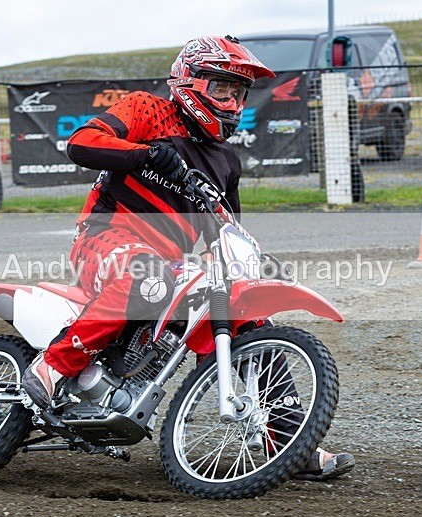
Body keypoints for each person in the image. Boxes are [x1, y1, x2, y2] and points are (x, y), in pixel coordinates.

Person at [23, 35, 355, 481]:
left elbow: (225, 230)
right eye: (222, 88)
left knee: (252, 321)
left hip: (171, 265)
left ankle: (290, 444)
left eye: (239, 92)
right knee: (146, 274)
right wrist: (145, 154)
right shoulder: (147, 109)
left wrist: (256, 265)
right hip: (105, 238)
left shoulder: (226, 162)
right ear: (190, 81)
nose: (232, 102)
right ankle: (51, 367)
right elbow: (81, 143)